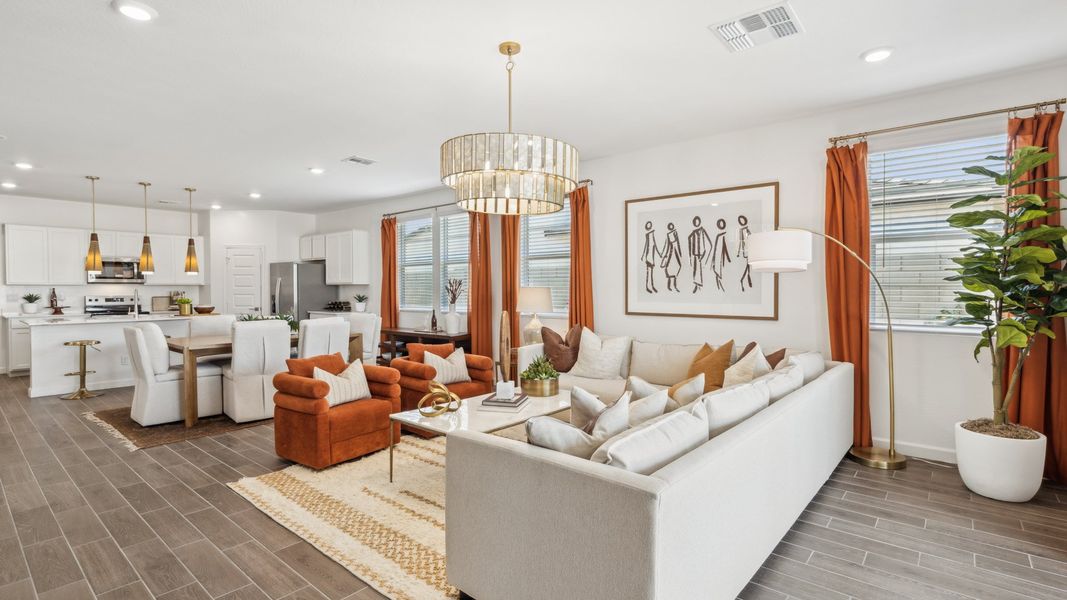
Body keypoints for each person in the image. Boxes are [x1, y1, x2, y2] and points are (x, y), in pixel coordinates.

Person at [688, 216, 713, 293]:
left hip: (701, 255)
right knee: (695, 270)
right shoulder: (693, 232)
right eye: (695, 222)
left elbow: (710, 244)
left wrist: (704, 255)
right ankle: (697, 285)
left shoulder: (702, 231)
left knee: (700, 270)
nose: (696, 223)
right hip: (695, 255)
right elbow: (689, 238)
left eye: (697, 222)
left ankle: (701, 286)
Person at [660, 222, 682, 292]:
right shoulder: (668, 234)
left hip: (675, 252)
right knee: (669, 268)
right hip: (671, 252)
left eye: (672, 226)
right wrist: (665, 254)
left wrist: (680, 252)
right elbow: (666, 245)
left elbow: (678, 243)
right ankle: (669, 287)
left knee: (678, 266)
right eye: (670, 226)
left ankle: (675, 286)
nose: (671, 227)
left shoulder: (675, 232)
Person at [711, 218, 731, 292]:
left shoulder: (724, 235)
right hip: (717, 256)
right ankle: (719, 285)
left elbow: (725, 246)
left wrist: (728, 258)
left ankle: (721, 285)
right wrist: (713, 258)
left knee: (721, 271)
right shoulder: (718, 236)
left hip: (722, 257)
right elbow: (715, 248)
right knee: (717, 270)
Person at [640, 220, 660, 293]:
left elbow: (655, 245)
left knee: (651, 273)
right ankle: (647, 287)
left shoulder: (652, 235)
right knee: (648, 273)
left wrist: (659, 254)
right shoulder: (648, 235)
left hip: (652, 257)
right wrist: (643, 256)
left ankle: (652, 286)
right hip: (648, 257)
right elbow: (646, 245)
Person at [737, 215, 753, 291]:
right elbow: (740, 241)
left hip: (748, 251)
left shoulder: (747, 230)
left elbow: (752, 239)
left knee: (747, 267)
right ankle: (745, 280)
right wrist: (738, 252)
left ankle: (744, 280)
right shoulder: (741, 230)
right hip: (745, 251)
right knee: (747, 267)